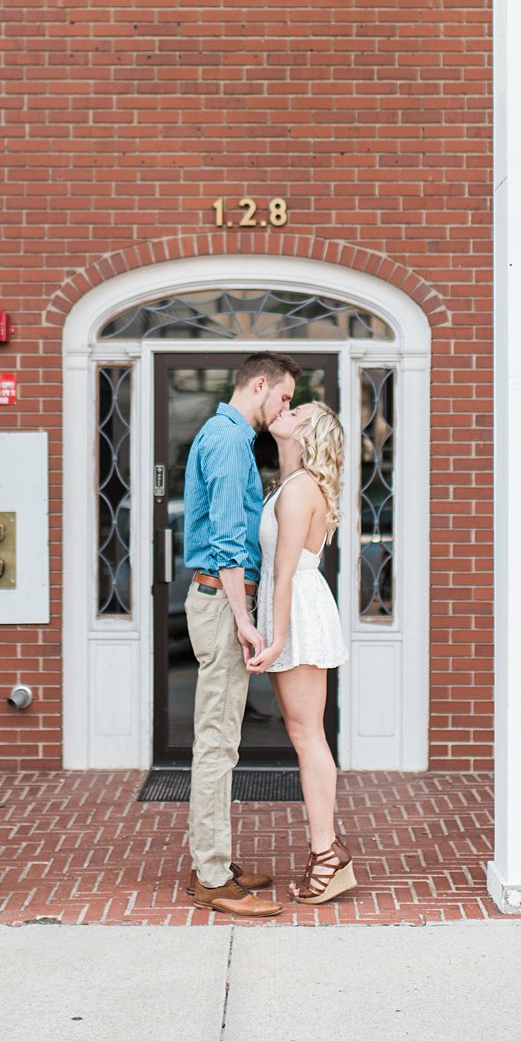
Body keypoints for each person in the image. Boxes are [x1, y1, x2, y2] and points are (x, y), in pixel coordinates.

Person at [183, 351, 301, 918]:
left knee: (220, 735)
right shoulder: (229, 442)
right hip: (222, 598)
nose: (286, 407)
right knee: (217, 739)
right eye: (282, 397)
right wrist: (245, 617)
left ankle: (214, 861)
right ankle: (210, 876)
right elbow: (229, 540)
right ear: (260, 385)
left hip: (216, 596)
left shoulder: (222, 433)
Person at [249, 400, 355, 905]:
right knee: (301, 732)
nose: (284, 410)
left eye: (297, 412)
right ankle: (327, 850)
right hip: (290, 607)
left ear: (307, 436)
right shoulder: (288, 484)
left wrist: (275, 638)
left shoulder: (299, 489)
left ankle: (326, 854)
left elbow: (286, 572)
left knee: (307, 735)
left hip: (298, 611)